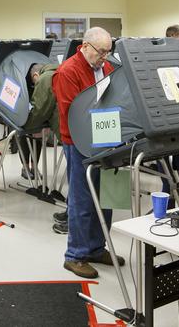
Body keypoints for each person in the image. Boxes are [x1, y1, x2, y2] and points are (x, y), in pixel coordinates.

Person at [53, 27, 123, 279]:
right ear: (84, 46)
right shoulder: (68, 71)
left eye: (108, 51)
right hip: (79, 142)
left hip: (106, 139)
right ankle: (75, 255)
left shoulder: (105, 67)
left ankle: (95, 247)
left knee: (106, 198)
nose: (105, 56)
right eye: (101, 51)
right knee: (82, 200)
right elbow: (72, 114)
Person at [24, 62, 65, 231]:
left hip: (66, 130)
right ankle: (71, 213)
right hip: (75, 126)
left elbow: (40, 110)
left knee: (79, 179)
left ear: (35, 76)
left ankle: (75, 221)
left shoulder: (44, 78)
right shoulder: (59, 70)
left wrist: (25, 125)